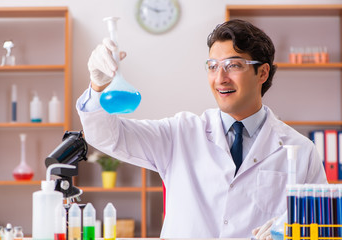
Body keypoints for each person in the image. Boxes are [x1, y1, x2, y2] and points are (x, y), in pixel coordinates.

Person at [76, 19, 327, 239]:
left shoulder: (301, 151)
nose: (220, 78)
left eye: (233, 65)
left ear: (262, 73)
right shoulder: (180, 133)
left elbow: (322, 223)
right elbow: (107, 137)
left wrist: (295, 231)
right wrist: (98, 87)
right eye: (212, 66)